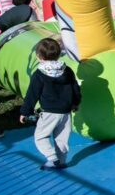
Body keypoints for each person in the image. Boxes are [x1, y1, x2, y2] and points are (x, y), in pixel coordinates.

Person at [20, 38, 81, 170]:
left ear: (39, 56)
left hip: (49, 112)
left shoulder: (39, 74)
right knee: (62, 138)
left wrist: (25, 112)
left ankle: (52, 158)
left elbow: (32, 94)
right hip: (66, 112)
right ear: (59, 55)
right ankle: (62, 161)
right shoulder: (67, 70)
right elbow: (75, 88)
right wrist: (76, 102)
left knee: (40, 137)